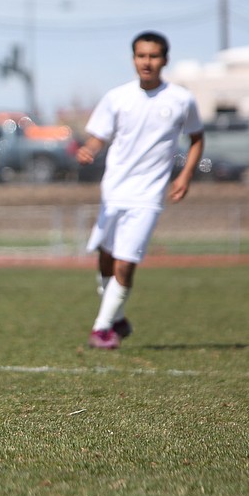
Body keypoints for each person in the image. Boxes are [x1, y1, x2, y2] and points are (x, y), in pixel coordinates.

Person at [76, 30, 203, 349]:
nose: (147, 62)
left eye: (154, 56)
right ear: (133, 59)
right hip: (114, 191)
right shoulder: (117, 97)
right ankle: (116, 316)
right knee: (106, 259)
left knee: (125, 262)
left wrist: (185, 175)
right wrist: (89, 148)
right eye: (142, 56)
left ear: (165, 60)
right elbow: (99, 136)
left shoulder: (181, 99)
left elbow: (197, 138)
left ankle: (102, 328)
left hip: (148, 195)